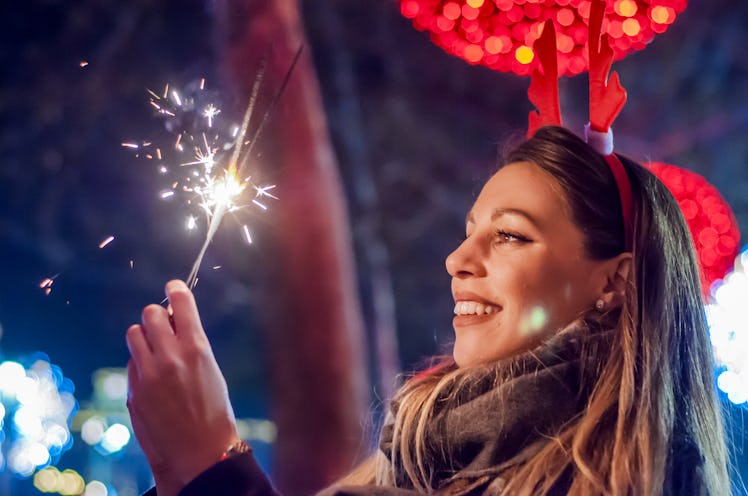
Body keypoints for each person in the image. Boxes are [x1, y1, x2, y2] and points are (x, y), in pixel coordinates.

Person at [126, 126, 731, 495]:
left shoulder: (623, 481)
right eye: (469, 231)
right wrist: (181, 471)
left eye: (511, 236)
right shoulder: (418, 457)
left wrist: (218, 469)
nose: (457, 259)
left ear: (615, 281)